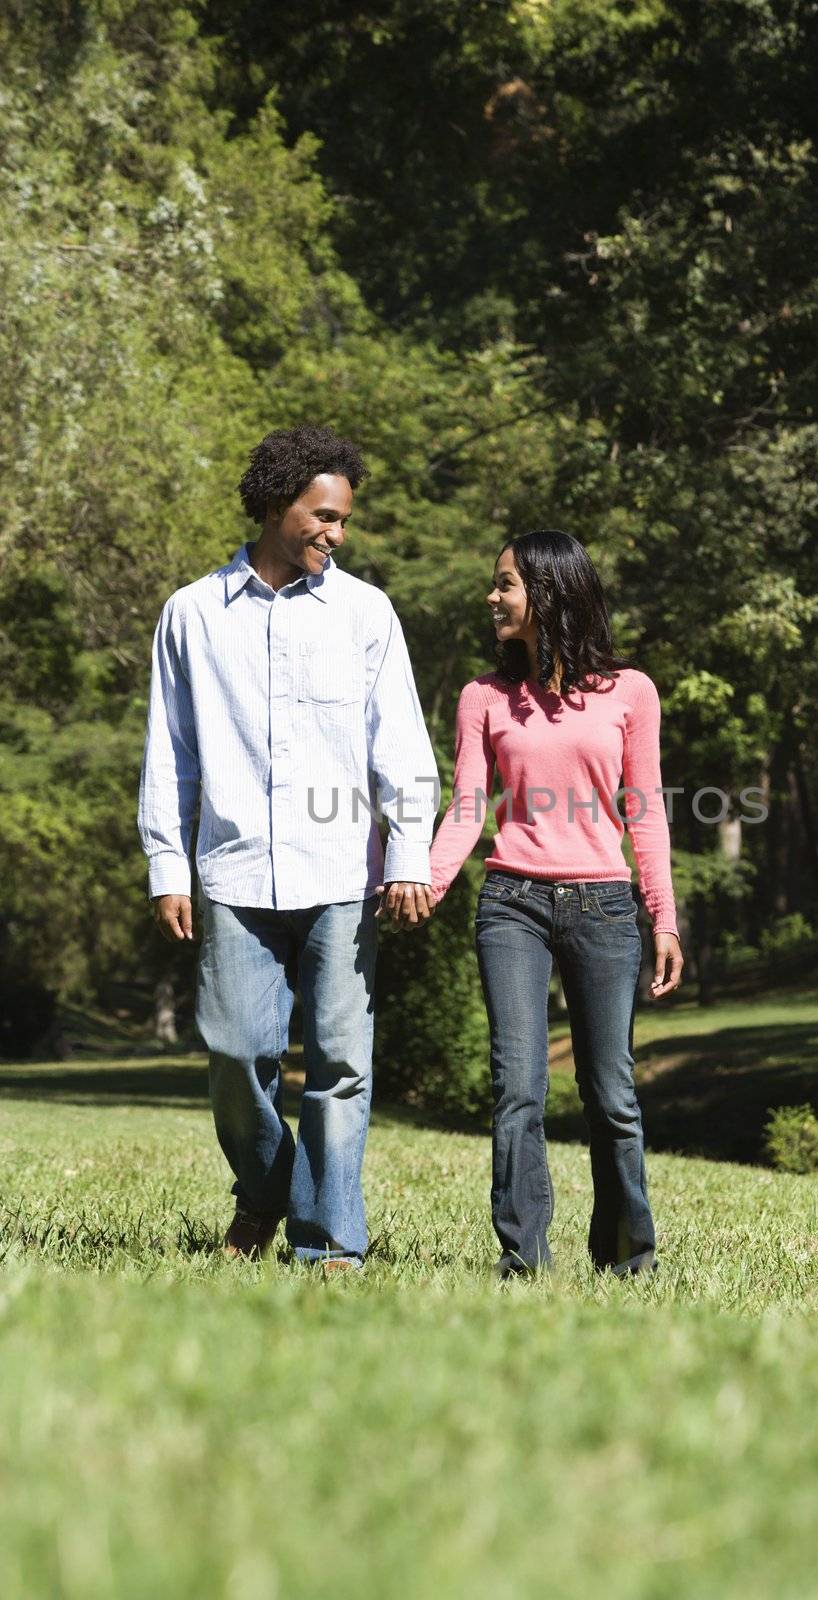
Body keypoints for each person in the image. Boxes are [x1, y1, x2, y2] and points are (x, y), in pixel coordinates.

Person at [138, 424, 437, 1271]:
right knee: (236, 1052)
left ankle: (330, 1241)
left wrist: (409, 852)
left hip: (343, 872)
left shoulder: (366, 612)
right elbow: (172, 751)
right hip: (231, 871)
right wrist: (169, 864)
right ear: (275, 505)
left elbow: (400, 746)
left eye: (343, 520)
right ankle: (267, 1190)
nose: (336, 534)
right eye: (324, 516)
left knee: (341, 1066)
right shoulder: (192, 613)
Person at [428, 529, 683, 1277]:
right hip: (511, 904)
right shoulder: (484, 696)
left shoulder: (630, 692)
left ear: (548, 591)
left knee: (610, 1095)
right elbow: (467, 806)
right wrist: (431, 881)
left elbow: (646, 809)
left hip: (604, 907)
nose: (492, 597)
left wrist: (662, 915)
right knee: (517, 1089)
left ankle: (626, 1260)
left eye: (504, 584)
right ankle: (522, 1261)